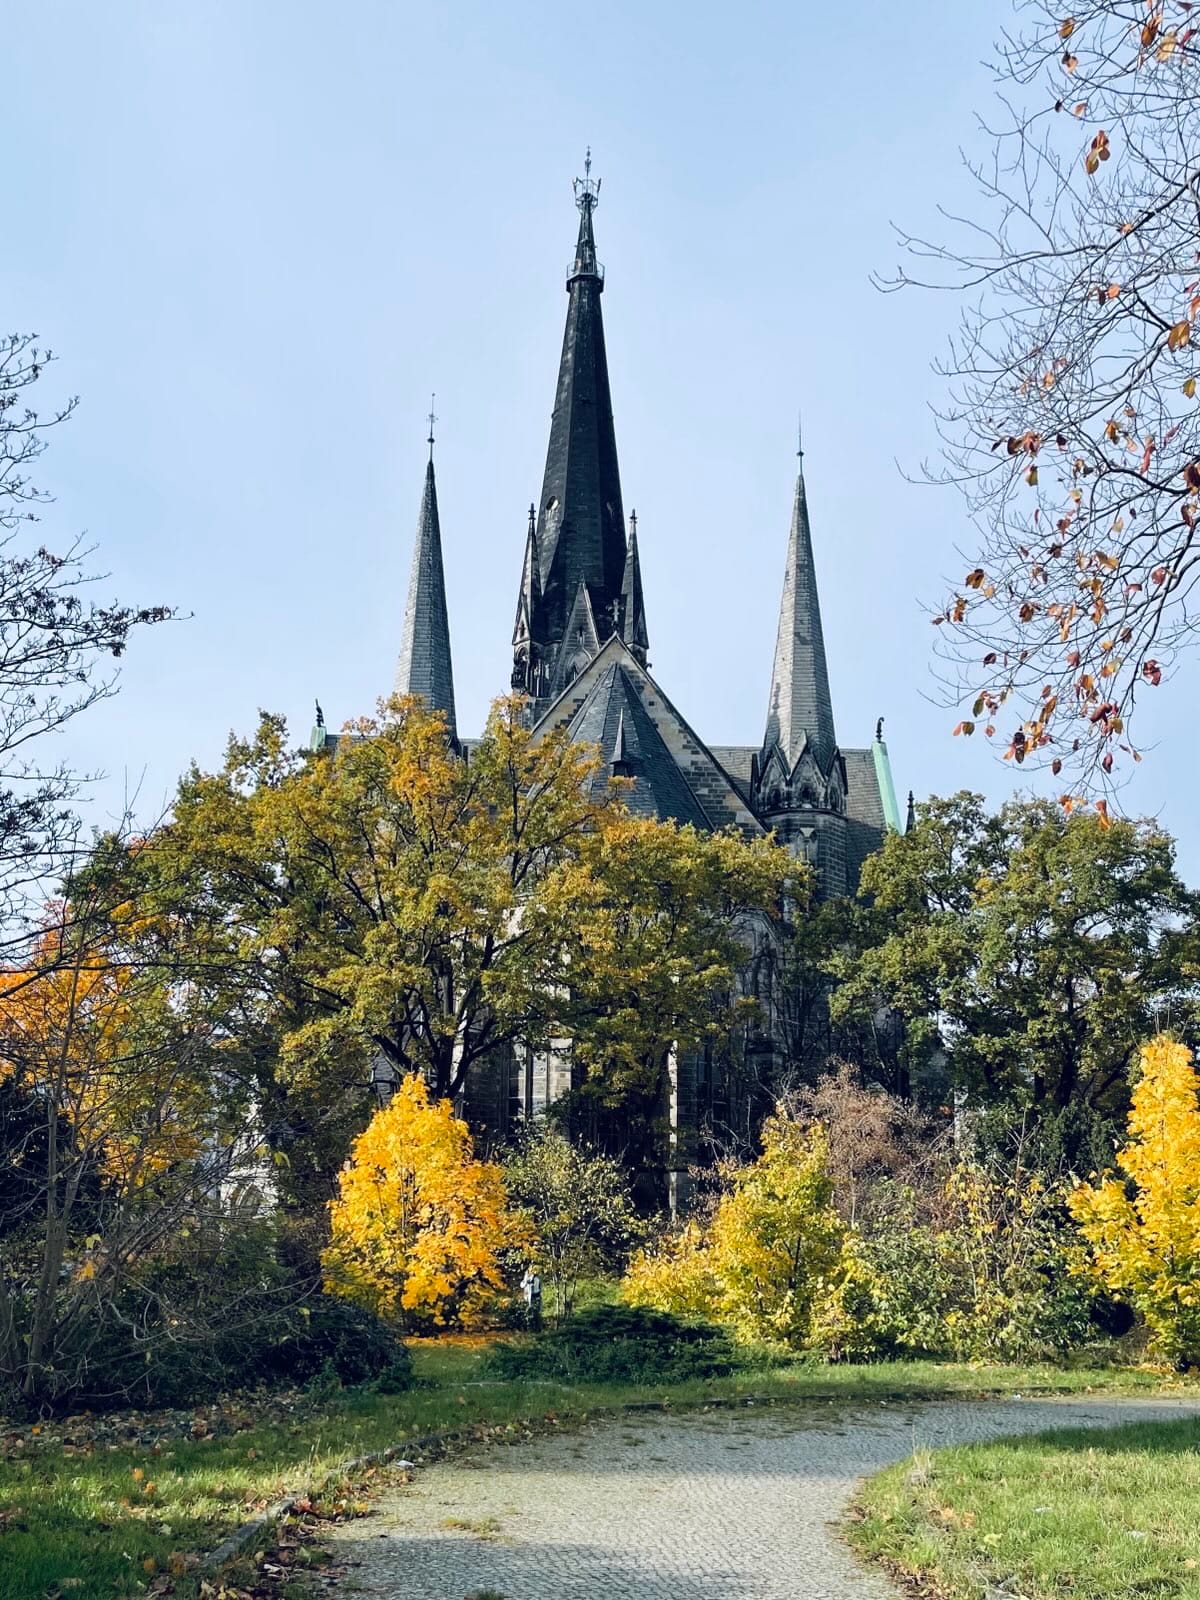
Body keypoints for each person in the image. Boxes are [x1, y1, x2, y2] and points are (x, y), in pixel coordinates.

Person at [520, 1264, 543, 1331]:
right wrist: (527, 1282)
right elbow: (522, 1285)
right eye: (531, 1269)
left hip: (537, 1295)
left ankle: (538, 1327)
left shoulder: (538, 1278)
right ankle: (530, 1326)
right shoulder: (527, 1276)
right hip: (529, 1296)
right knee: (530, 1310)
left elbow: (540, 1287)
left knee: (537, 1311)